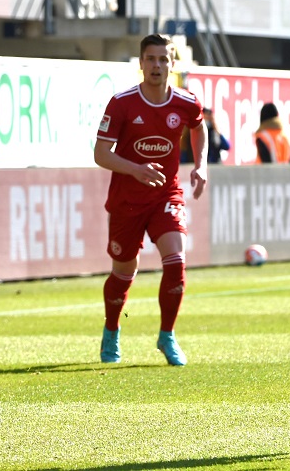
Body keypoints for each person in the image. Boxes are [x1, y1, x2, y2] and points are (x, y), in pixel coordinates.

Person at [94, 33, 207, 367]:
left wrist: (200, 165)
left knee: (176, 260)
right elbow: (101, 153)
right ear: (141, 63)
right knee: (123, 271)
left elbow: (199, 127)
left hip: (166, 194)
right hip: (126, 201)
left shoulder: (187, 103)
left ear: (172, 64)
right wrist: (136, 170)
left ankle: (167, 335)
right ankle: (112, 329)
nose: (157, 66)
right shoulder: (122, 103)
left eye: (163, 60)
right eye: (151, 59)